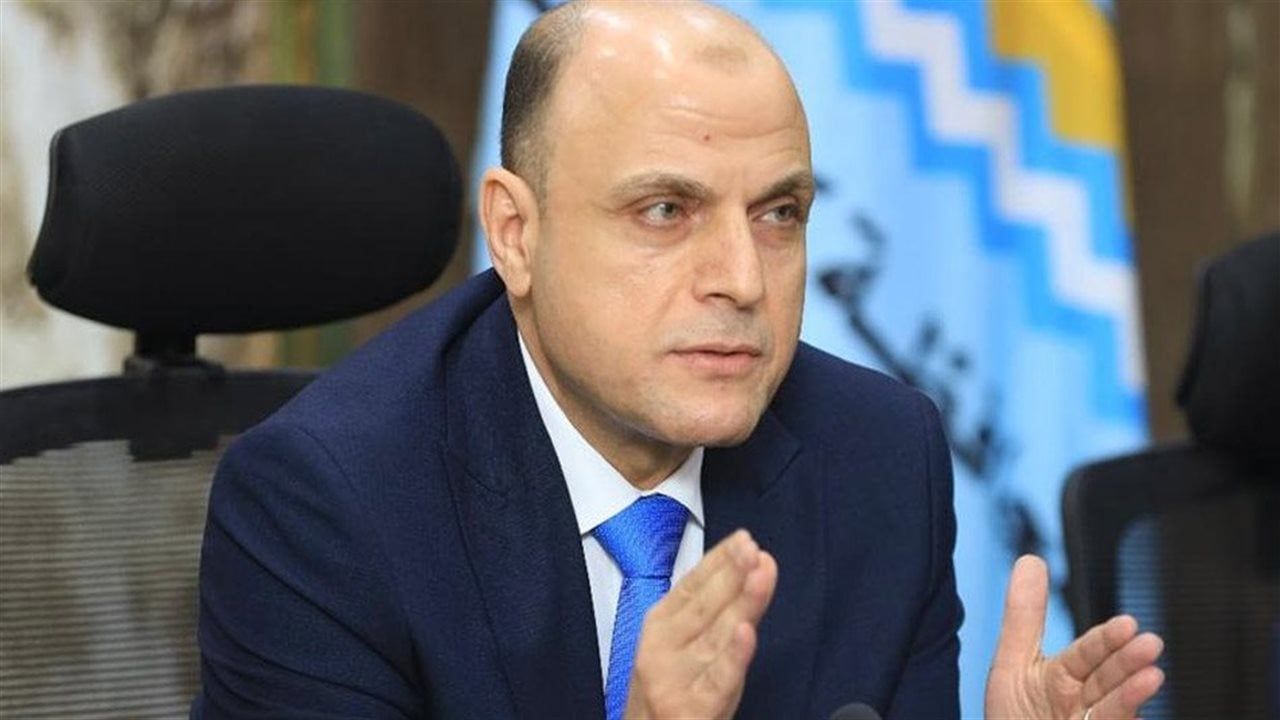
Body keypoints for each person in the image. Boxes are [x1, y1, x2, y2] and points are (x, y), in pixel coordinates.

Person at [192, 2, 1165, 718]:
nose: (741, 280)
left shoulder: (877, 458)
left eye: (778, 214)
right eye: (666, 210)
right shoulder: (328, 502)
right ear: (515, 234)